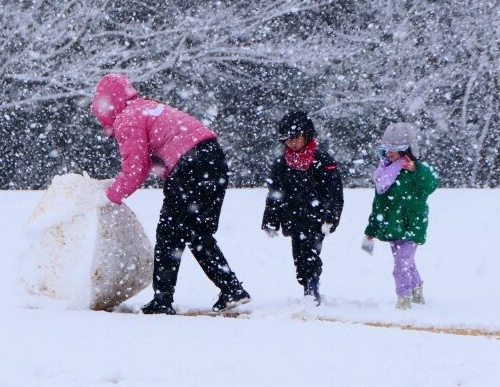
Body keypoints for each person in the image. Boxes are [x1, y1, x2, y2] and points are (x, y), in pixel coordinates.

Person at [90, 73, 250, 315]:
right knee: (196, 233)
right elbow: (159, 160)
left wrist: (110, 196)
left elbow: (136, 168)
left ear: (107, 106)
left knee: (169, 233)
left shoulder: (127, 118)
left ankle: (163, 300)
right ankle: (231, 289)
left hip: (190, 167)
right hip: (213, 160)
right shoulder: (149, 108)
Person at [261, 110, 344, 306]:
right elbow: (275, 194)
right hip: (293, 217)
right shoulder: (282, 164)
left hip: (316, 217)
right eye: (287, 139)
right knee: (298, 256)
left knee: (311, 253)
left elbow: (333, 193)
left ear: (306, 135)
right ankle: (305, 282)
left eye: (296, 137)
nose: (292, 142)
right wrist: (271, 219)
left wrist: (331, 216)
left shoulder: (322, 161)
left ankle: (312, 287)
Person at [363, 122, 439, 310]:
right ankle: (417, 287)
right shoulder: (384, 174)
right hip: (393, 226)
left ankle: (403, 298)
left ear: (408, 150)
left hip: (411, 225)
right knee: (406, 261)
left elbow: (431, 185)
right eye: (386, 149)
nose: (390, 153)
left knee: (401, 264)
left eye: (395, 150)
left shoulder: (415, 172)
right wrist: (371, 229)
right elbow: (378, 205)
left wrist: (417, 171)